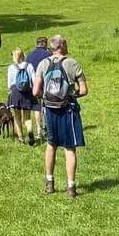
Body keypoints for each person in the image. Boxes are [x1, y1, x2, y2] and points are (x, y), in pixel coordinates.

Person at [33, 34, 87, 198]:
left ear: (51, 47)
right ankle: (71, 187)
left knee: (51, 146)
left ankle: (50, 183)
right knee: (69, 148)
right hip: (68, 110)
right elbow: (84, 90)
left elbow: (35, 91)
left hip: (50, 110)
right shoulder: (72, 63)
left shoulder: (43, 63)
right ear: (62, 45)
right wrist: (71, 95)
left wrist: (46, 98)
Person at [5, 48, 37, 144]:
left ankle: (20, 138)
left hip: (15, 93)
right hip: (27, 93)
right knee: (27, 117)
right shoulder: (29, 66)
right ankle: (30, 133)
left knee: (17, 116)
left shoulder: (11, 67)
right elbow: (34, 80)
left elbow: (9, 84)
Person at [24, 37, 51, 141]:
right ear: (44, 44)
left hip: (33, 85)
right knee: (47, 106)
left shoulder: (29, 55)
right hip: (45, 84)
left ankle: (39, 130)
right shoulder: (48, 55)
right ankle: (47, 128)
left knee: (36, 107)